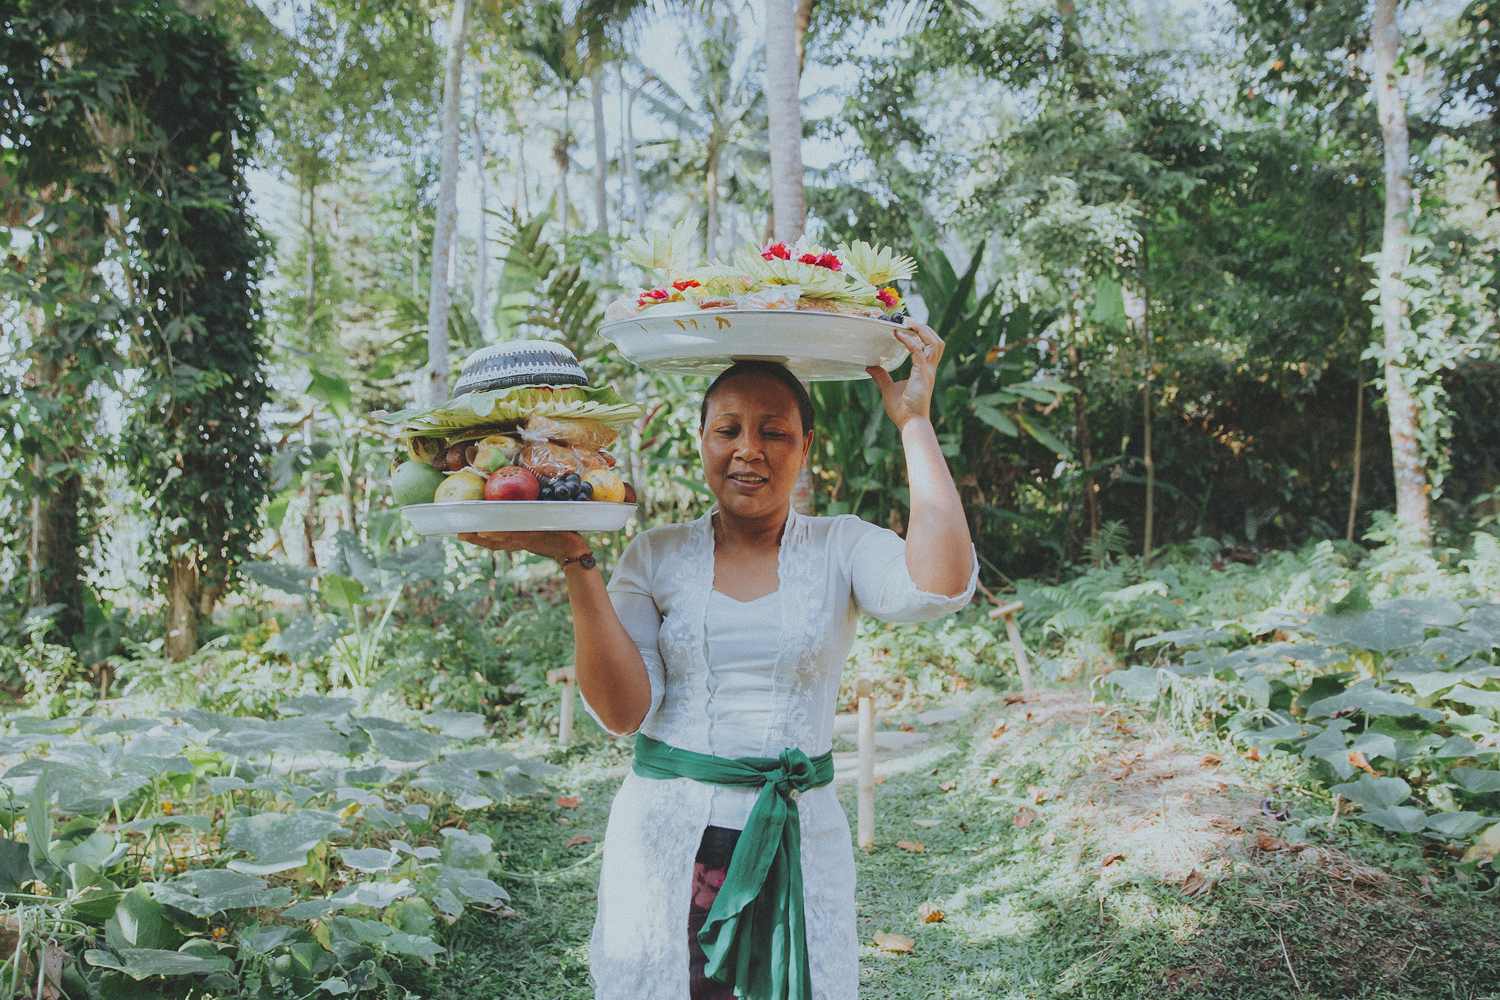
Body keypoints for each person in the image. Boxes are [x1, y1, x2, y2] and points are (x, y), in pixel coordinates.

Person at [460, 321, 976, 1000]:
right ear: (700, 441)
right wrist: (575, 560)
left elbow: (939, 585)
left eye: (774, 431)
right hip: (668, 839)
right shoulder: (655, 553)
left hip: (796, 838)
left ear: (807, 447)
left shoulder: (840, 547)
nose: (748, 451)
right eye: (728, 429)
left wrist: (912, 422)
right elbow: (622, 713)